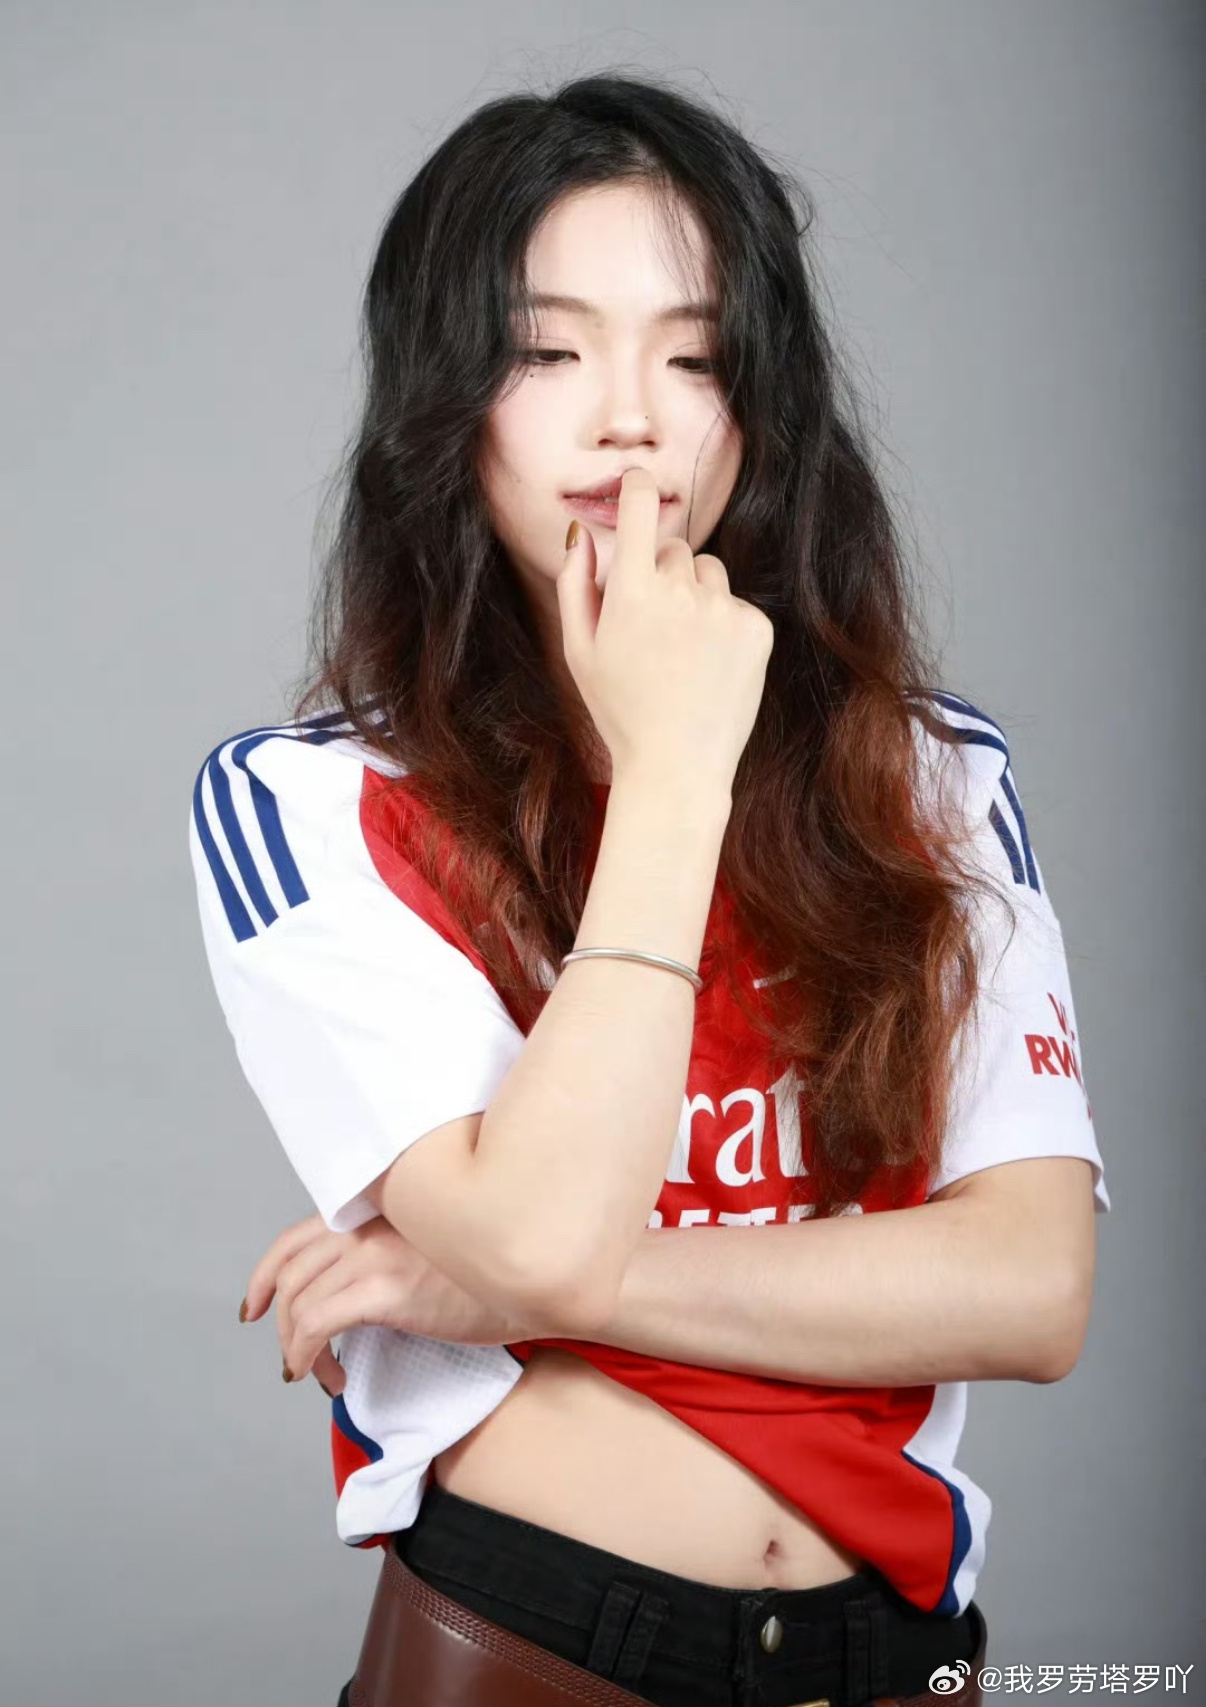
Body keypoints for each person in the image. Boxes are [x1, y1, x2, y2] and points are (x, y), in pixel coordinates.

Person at [188, 73, 1109, 1707]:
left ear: (759, 410)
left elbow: (1030, 1292)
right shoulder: (313, 804)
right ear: (444, 402)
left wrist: (490, 1289)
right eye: (546, 353)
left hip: (898, 1661)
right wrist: (675, 769)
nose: (629, 419)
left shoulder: (929, 776)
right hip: (531, 1647)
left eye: (692, 357)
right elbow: (546, 1234)